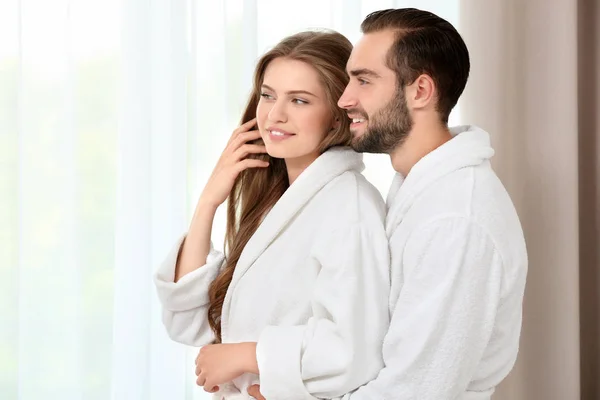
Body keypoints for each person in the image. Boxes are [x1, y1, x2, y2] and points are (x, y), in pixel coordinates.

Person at [247, 8, 528, 400]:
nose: (345, 99)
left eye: (363, 80)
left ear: (420, 91)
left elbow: (418, 388)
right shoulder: (421, 188)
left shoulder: (455, 220)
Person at [154, 30, 391, 400]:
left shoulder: (350, 206)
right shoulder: (276, 204)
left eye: (299, 100)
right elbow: (189, 321)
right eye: (268, 95)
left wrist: (248, 355)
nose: (274, 115)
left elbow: (354, 348)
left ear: (335, 116)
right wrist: (208, 203)